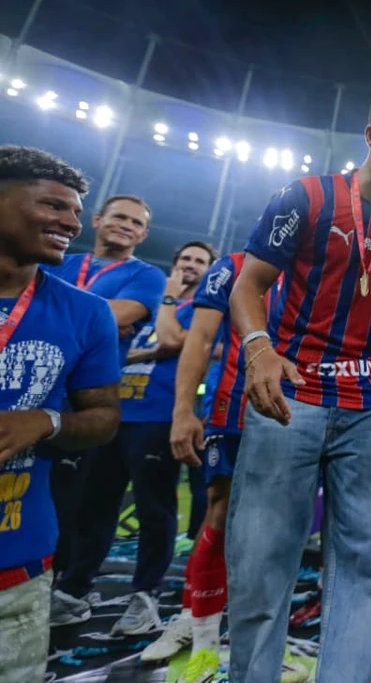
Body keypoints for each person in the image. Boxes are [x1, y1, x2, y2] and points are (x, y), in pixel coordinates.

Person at [226, 90, 371, 682]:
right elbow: (247, 286)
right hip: (291, 398)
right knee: (262, 562)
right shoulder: (308, 197)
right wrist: (259, 349)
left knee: (365, 569)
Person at [140, 253, 306, 681]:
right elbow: (199, 338)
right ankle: (204, 643)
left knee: (281, 532)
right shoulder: (232, 265)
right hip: (234, 411)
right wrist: (182, 411)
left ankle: (265, 643)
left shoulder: (327, 266)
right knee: (219, 518)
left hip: (302, 413)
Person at [0, 146, 122, 683]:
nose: (71, 223)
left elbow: (103, 417)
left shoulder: (87, 312)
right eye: (53, 206)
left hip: (19, 555)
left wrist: (45, 422)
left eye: (75, 212)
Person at [55, 241, 214, 635]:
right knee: (96, 506)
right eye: (185, 258)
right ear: (174, 263)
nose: (191, 265)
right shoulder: (146, 300)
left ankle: (145, 598)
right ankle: (75, 590)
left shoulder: (202, 308)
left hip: (158, 417)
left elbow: (173, 340)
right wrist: (145, 349)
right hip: (115, 414)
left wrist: (169, 302)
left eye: (200, 262)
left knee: (153, 510)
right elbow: (113, 342)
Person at [45, 193, 166, 623]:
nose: (127, 226)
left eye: (136, 222)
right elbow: (104, 317)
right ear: (97, 220)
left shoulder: (147, 275)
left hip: (87, 402)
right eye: (119, 218)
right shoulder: (55, 260)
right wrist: (98, 315)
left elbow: (123, 314)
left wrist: (52, 309)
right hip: (32, 392)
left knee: (83, 503)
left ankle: (71, 589)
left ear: (144, 234)